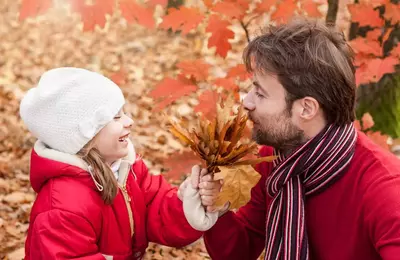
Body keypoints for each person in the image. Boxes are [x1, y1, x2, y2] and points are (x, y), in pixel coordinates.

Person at [199, 18, 400, 260]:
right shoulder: (277, 161)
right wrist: (218, 212)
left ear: (306, 109)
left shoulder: (385, 190)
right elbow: (240, 249)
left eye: (260, 94)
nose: (247, 102)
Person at [20, 67, 218, 259]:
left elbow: (156, 211)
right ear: (85, 136)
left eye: (124, 113)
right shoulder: (63, 207)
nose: (129, 121)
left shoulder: (126, 170)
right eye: (116, 117)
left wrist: (187, 202)